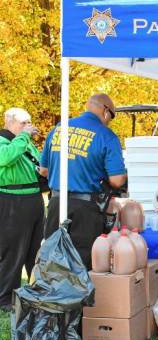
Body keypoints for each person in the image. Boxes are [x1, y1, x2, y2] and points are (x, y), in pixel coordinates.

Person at [41, 94, 126, 269]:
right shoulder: (106, 136)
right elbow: (117, 181)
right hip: (86, 209)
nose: (110, 120)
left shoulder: (59, 129)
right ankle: (78, 297)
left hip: (57, 203)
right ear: (105, 111)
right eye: (112, 115)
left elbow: (44, 170)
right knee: (81, 264)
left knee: (53, 261)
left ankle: (54, 296)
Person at [0, 108, 44, 312]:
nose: (28, 126)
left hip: (34, 199)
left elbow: (37, 165)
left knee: (35, 250)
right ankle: (6, 298)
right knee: (13, 250)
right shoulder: (4, 141)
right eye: (24, 123)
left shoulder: (25, 142)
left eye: (29, 122)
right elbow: (6, 158)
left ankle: (35, 291)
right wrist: (24, 138)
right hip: (12, 200)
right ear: (9, 122)